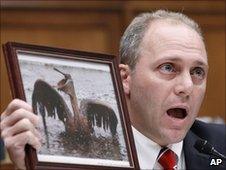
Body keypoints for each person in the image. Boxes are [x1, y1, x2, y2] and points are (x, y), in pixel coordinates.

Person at [0, 10, 225, 170]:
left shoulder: (220, 147)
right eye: (168, 68)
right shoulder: (84, 155)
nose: (187, 87)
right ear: (125, 78)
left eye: (197, 72)